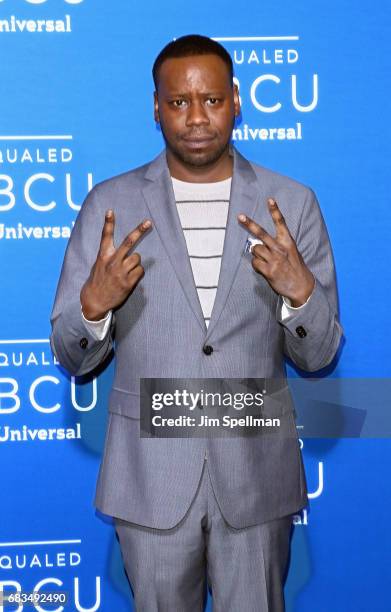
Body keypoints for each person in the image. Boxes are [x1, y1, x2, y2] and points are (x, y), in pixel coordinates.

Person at [50, 34, 342, 612]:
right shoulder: (110, 204)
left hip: (257, 477)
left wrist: (300, 294)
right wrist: (94, 307)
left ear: (236, 100)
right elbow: (71, 355)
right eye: (178, 103)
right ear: (155, 108)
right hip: (151, 479)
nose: (196, 117)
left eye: (210, 99)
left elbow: (321, 354)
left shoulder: (293, 203)